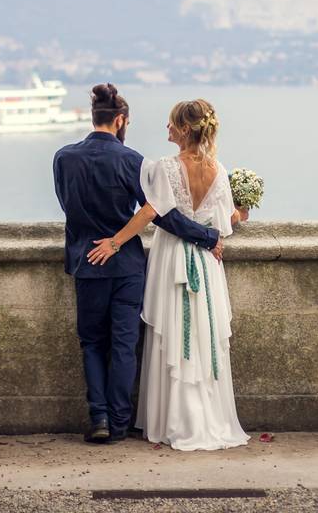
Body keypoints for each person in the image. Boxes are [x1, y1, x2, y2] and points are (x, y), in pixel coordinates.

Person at [53, 84, 224, 444]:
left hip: (87, 263)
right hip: (128, 266)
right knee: (124, 345)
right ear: (120, 121)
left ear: (94, 117)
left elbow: (67, 205)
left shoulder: (63, 158)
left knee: (93, 344)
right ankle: (119, 423)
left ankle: (98, 417)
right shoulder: (133, 161)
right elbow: (159, 214)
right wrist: (206, 236)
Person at [86, 99, 250, 451]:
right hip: (205, 263)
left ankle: (175, 420)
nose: (167, 129)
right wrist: (244, 211)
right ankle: (206, 418)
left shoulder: (166, 167)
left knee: (174, 335)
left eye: (171, 124)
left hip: (173, 257)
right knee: (201, 339)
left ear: (185, 129)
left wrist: (115, 242)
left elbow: (151, 211)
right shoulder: (219, 171)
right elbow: (225, 224)